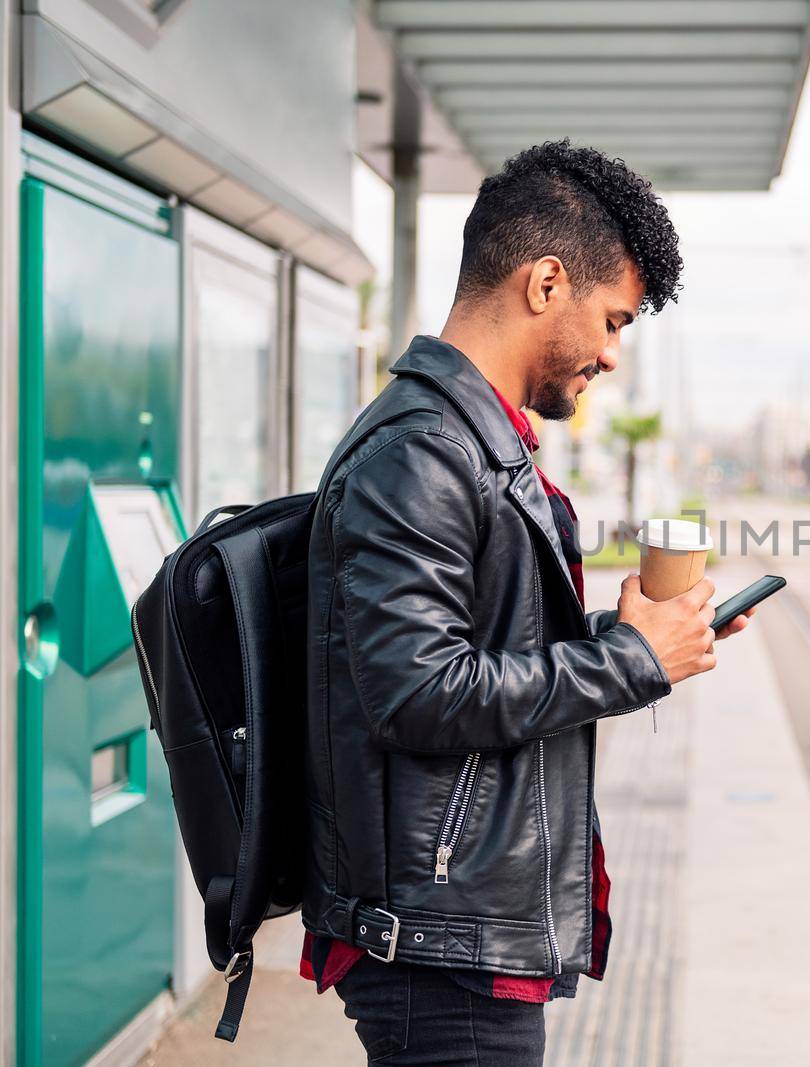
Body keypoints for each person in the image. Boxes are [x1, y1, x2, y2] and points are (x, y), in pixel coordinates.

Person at [299, 140, 751, 1065]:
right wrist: (630, 661)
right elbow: (416, 691)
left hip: (462, 929)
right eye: (614, 320)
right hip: (438, 950)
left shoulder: (473, 441)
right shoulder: (422, 451)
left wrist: (631, 635)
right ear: (546, 282)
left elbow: (481, 645)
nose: (613, 356)